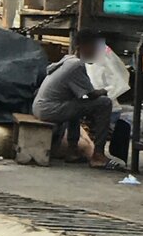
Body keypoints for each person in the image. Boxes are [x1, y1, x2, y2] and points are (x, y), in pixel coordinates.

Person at [33, 29, 119, 170]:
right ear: (83, 48)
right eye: (94, 48)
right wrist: (105, 90)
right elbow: (91, 95)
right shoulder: (76, 65)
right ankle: (98, 155)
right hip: (49, 109)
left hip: (42, 107)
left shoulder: (68, 60)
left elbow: (82, 96)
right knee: (104, 103)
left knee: (77, 104)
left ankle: (72, 151)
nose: (97, 53)